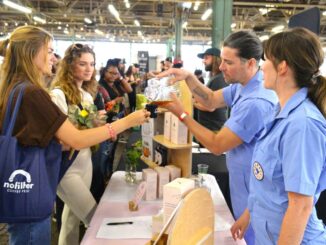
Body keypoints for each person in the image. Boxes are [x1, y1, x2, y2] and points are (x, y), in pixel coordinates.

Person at [0, 25, 150, 245]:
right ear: (32, 52)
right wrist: (127, 122)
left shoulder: (13, 88)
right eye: (49, 51)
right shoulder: (32, 93)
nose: (53, 58)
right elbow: (75, 140)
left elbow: (41, 138)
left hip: (24, 192)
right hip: (32, 195)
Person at [157, 30, 278, 245]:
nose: (221, 67)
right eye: (222, 60)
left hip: (255, 194)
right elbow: (211, 99)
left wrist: (182, 114)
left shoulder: (256, 102)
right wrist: (189, 78)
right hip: (243, 187)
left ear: (250, 63)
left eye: (228, 62)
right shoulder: (244, 86)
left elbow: (216, 145)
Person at [231, 27, 326, 244]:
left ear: (282, 66)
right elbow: (269, 185)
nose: (261, 66)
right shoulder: (279, 113)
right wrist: (248, 215)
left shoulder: (302, 124)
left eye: (265, 59)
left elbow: (300, 206)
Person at [50, 43, 97, 245]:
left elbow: (84, 125)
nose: (89, 69)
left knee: (71, 220)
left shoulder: (86, 95)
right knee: (95, 218)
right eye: (82, 64)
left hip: (85, 161)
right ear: (69, 65)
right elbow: (60, 136)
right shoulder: (57, 95)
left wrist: (96, 123)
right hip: (66, 167)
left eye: (92, 64)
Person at [195, 47, 227, 131]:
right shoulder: (215, 78)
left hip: (213, 128)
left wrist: (192, 102)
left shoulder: (219, 79)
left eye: (206, 58)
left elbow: (210, 107)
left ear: (216, 59)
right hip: (210, 127)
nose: (203, 61)